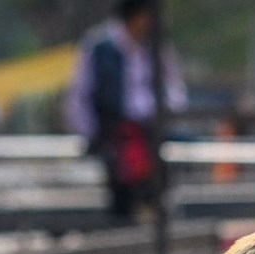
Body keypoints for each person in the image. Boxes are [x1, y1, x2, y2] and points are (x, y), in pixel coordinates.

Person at [64, 0, 187, 220]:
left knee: (157, 183)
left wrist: (160, 112)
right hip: (114, 135)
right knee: (122, 191)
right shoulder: (99, 48)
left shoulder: (157, 47)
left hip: (150, 134)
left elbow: (175, 91)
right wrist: (91, 135)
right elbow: (80, 96)